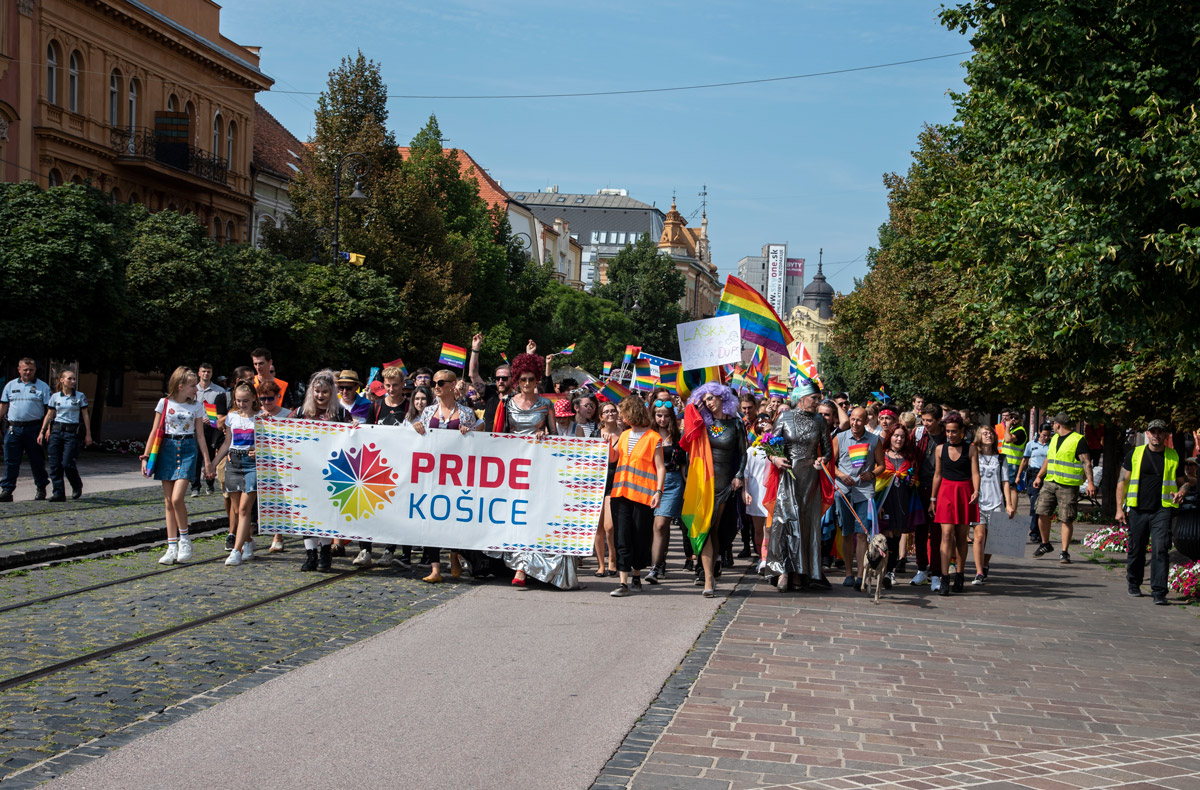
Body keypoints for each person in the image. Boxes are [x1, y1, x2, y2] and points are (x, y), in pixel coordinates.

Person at [486, 353, 577, 589]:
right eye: (523, 379)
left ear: (537, 379)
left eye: (531, 379)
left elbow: (556, 438)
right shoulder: (507, 403)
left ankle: (524, 567)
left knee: (534, 516)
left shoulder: (546, 405)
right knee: (516, 516)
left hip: (538, 468)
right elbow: (499, 434)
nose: (527, 383)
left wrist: (545, 435)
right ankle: (518, 565)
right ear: (517, 380)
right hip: (512, 468)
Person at [140, 366, 214, 565]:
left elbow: (200, 436)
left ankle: (185, 540)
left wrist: (207, 462)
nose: (196, 389)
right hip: (167, 449)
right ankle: (171, 546)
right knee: (168, 502)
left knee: (177, 498)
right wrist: (145, 457)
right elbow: (155, 430)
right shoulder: (164, 403)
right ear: (180, 386)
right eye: (192, 386)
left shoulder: (197, 406)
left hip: (188, 448)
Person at [680, 383, 747, 597]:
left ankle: (713, 566)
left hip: (725, 484)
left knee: (716, 528)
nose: (708, 403)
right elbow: (688, 430)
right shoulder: (703, 423)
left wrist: (739, 475)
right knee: (706, 528)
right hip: (703, 482)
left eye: (711, 398)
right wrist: (695, 406)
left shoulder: (736, 423)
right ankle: (708, 578)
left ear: (722, 397)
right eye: (705, 400)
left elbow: (743, 453)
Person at [764, 382, 832, 591]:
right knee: (784, 522)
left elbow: (827, 451)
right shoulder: (784, 417)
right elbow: (770, 446)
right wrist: (775, 459)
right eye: (814, 398)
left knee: (805, 524)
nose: (817, 402)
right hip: (788, 476)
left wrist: (822, 460)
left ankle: (800, 573)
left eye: (819, 399)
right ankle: (783, 571)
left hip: (810, 477)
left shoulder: (820, 421)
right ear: (802, 398)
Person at [413, 368, 477, 583]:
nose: (436, 387)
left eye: (441, 383)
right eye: (435, 383)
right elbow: (420, 439)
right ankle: (435, 568)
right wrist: (417, 427)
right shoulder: (429, 411)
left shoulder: (466, 412)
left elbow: (478, 438)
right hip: (432, 471)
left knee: (454, 515)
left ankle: (454, 553)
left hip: (457, 473)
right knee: (430, 517)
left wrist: (469, 432)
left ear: (452, 385)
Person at [1117, 419, 1190, 605]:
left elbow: (1184, 482)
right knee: (1136, 548)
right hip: (1137, 509)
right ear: (1148, 434)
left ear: (1165, 435)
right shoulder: (1135, 454)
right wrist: (1119, 509)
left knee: (1160, 548)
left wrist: (1182, 492)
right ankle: (1134, 583)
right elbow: (1122, 481)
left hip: (1162, 509)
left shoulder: (1173, 456)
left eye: (1160, 432)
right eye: (1153, 432)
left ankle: (1159, 591)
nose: (1156, 435)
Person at [291, 370, 353, 571]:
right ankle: (311, 554)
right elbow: (282, 427)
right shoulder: (301, 412)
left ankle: (325, 552)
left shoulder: (340, 413)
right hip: (306, 470)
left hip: (330, 472)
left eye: (324, 392)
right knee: (307, 513)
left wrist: (354, 427)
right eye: (317, 391)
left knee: (325, 513)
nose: (320, 395)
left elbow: (353, 437)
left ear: (331, 393)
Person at [352, 366, 413, 569]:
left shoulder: (409, 407)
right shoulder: (375, 406)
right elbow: (368, 431)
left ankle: (389, 549)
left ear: (402, 385)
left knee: (394, 509)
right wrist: (357, 428)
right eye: (388, 385)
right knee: (367, 506)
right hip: (377, 464)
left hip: (400, 464)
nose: (391, 389)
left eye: (395, 385)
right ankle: (365, 549)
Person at [608, 397, 666, 597]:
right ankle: (623, 583)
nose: (620, 417)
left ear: (631, 413)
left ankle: (636, 574)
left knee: (640, 537)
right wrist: (608, 444)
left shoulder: (653, 438)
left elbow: (660, 467)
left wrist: (658, 491)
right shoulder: (623, 435)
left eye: (622, 413)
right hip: (620, 493)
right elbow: (613, 457)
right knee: (622, 536)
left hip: (643, 496)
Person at [831, 406, 886, 589]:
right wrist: (841, 475)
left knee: (862, 533)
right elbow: (830, 464)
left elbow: (881, 465)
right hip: (844, 491)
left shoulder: (874, 440)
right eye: (852, 419)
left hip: (864, 491)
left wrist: (872, 473)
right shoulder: (840, 438)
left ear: (866, 421)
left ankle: (861, 575)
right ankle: (849, 573)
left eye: (859, 420)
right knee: (847, 533)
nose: (855, 423)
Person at [1032, 412, 1096, 564]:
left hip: (1068, 485)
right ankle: (1045, 544)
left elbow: (1086, 462)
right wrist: (1039, 476)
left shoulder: (1078, 440)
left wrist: (1090, 483)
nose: (1052, 426)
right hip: (1050, 482)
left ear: (1058, 425)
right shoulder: (1054, 438)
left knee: (1066, 518)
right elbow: (1049, 458)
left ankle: (1064, 552)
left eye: (1053, 423)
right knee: (1041, 511)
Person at [929, 412, 979, 595]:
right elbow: (937, 475)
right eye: (948, 431)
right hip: (945, 492)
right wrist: (933, 499)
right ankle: (944, 577)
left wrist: (976, 490)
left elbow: (975, 473)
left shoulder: (971, 449)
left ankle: (959, 574)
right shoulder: (940, 449)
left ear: (962, 431)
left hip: (964, 491)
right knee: (946, 534)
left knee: (961, 536)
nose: (950, 435)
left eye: (954, 431)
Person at [212, 383, 260, 567]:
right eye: (238, 401)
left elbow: (269, 442)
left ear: (253, 398)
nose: (241, 404)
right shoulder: (231, 417)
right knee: (237, 509)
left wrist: (259, 451)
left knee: (244, 509)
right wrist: (212, 464)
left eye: (245, 401)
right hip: (233, 462)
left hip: (251, 464)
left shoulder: (260, 418)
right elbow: (227, 443)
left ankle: (236, 551)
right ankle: (247, 541)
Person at [645, 397, 686, 584]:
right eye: (659, 415)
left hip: (672, 483)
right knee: (656, 527)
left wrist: (687, 483)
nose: (662, 419)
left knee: (661, 525)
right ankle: (660, 562)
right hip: (649, 482)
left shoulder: (678, 437)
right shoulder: (648, 435)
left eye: (666, 416)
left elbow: (683, 463)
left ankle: (654, 568)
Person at [0, 358, 52, 501]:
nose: (28, 372)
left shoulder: (42, 386)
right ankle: (7, 490)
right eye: (25, 370)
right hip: (14, 428)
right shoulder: (10, 386)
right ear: (19, 370)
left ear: (35, 370)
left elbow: (49, 410)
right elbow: (3, 406)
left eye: (31, 370)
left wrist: (46, 429)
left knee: (37, 461)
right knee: (11, 461)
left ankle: (41, 487)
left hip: (34, 428)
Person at [38, 369, 93, 501]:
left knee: (67, 463)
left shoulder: (79, 396)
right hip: (57, 431)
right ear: (62, 380)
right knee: (54, 463)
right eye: (69, 378)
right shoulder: (55, 397)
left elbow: (85, 415)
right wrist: (43, 431)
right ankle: (58, 492)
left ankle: (76, 485)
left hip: (71, 432)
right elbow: (50, 415)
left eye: (74, 379)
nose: (73, 381)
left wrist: (88, 434)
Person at [971, 424, 1014, 585]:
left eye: (990, 433)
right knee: (979, 537)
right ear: (979, 437)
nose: (988, 436)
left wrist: (1009, 504)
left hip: (996, 502)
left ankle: (985, 563)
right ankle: (979, 572)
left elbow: (1005, 482)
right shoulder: (974, 456)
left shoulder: (1001, 458)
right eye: (984, 433)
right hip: (979, 502)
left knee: (992, 540)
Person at [878, 422, 920, 585]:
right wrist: (878, 504)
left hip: (902, 501)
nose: (899, 439)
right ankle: (882, 568)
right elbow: (877, 480)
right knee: (886, 534)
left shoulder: (909, 457)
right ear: (890, 437)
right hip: (885, 501)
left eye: (902, 436)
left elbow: (914, 477)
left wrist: (912, 481)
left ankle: (889, 572)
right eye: (896, 435)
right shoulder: (881, 454)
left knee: (896, 535)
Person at [910, 404, 946, 587]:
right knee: (920, 530)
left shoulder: (946, 436)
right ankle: (921, 569)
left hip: (941, 489)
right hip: (919, 487)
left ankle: (937, 572)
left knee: (937, 533)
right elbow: (909, 454)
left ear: (939, 420)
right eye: (923, 420)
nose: (926, 424)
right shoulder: (918, 434)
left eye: (930, 420)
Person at [256, 379, 292, 554]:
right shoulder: (256, 414)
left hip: (283, 461)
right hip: (261, 461)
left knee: (280, 498)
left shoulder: (287, 414)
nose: (267, 402)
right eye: (263, 399)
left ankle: (278, 536)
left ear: (278, 397)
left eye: (270, 398)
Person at [742, 412, 774, 573]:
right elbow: (746, 474)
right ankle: (761, 556)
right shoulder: (752, 451)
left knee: (768, 529)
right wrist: (745, 491)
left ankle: (766, 559)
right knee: (758, 528)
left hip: (771, 494)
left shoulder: (776, 450)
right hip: (756, 494)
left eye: (772, 430)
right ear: (759, 433)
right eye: (767, 431)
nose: (770, 434)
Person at [190, 363, 226, 497]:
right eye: (203, 371)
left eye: (208, 372)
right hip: (196, 428)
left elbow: (222, 412)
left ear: (212, 373)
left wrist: (212, 420)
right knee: (196, 457)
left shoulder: (219, 391)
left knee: (211, 456)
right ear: (199, 373)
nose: (206, 374)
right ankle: (195, 486)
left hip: (212, 428)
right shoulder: (193, 390)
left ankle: (210, 483)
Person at [594, 399, 621, 576]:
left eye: (613, 411)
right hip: (597, 482)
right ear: (601, 417)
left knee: (609, 526)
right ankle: (601, 564)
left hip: (616, 481)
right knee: (598, 527)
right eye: (606, 412)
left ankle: (612, 558)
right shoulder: (596, 434)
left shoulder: (625, 434)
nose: (610, 414)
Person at [1017, 424, 1052, 542]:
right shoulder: (1031, 444)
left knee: (1045, 506)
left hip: (1047, 474)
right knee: (1034, 504)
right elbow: (1025, 460)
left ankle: (1042, 532)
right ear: (1039, 432)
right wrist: (1018, 475)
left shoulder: (1052, 445)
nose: (1046, 437)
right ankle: (1034, 532)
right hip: (1033, 474)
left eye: (1048, 435)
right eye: (1044, 435)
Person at [999, 408, 1028, 515]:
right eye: (1011, 417)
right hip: (1006, 461)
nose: (1013, 419)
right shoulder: (1012, 429)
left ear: (1021, 419)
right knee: (1006, 486)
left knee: (1012, 487)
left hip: (1013, 463)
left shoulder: (1020, 431)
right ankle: (1008, 508)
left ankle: (1013, 511)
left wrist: (1007, 426)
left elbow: (1008, 439)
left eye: (1016, 418)